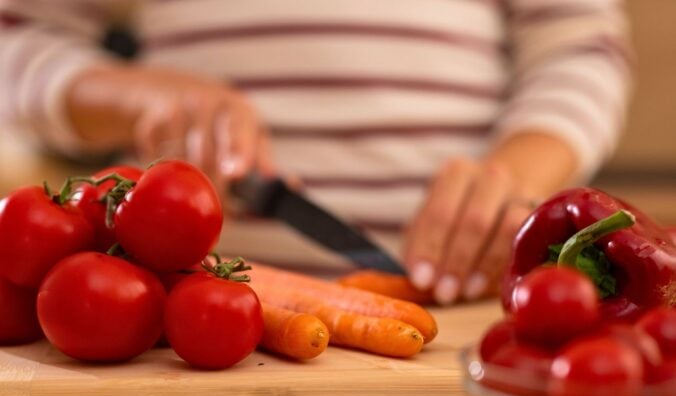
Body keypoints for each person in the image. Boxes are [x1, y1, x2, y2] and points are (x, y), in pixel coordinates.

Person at [0, 0, 631, 305]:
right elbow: (19, 42)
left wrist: (516, 179)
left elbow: (581, 48)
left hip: (469, 304)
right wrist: (138, 97)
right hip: (196, 322)